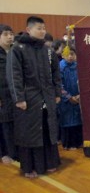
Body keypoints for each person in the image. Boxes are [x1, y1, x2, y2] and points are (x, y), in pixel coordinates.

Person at [6, 16, 61, 178]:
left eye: (44, 28)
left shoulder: (48, 50)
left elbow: (56, 75)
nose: (42, 31)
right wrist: (19, 99)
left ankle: (50, 163)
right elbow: (13, 75)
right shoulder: (17, 49)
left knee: (48, 130)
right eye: (39, 28)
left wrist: (57, 93)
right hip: (28, 100)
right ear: (29, 29)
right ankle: (31, 167)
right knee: (31, 134)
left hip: (47, 98)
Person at [58, 47, 83, 150]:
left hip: (78, 98)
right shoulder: (60, 67)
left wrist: (79, 95)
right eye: (67, 54)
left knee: (78, 121)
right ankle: (68, 144)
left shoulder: (78, 66)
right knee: (68, 122)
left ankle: (79, 142)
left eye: (72, 54)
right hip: (66, 101)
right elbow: (59, 85)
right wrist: (68, 97)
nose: (70, 56)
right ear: (62, 55)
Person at [0, 24, 17, 164]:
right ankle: (4, 153)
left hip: (15, 94)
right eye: (5, 34)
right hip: (1, 95)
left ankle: (14, 151)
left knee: (14, 123)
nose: (10, 36)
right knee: (3, 124)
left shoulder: (16, 52)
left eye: (11, 34)